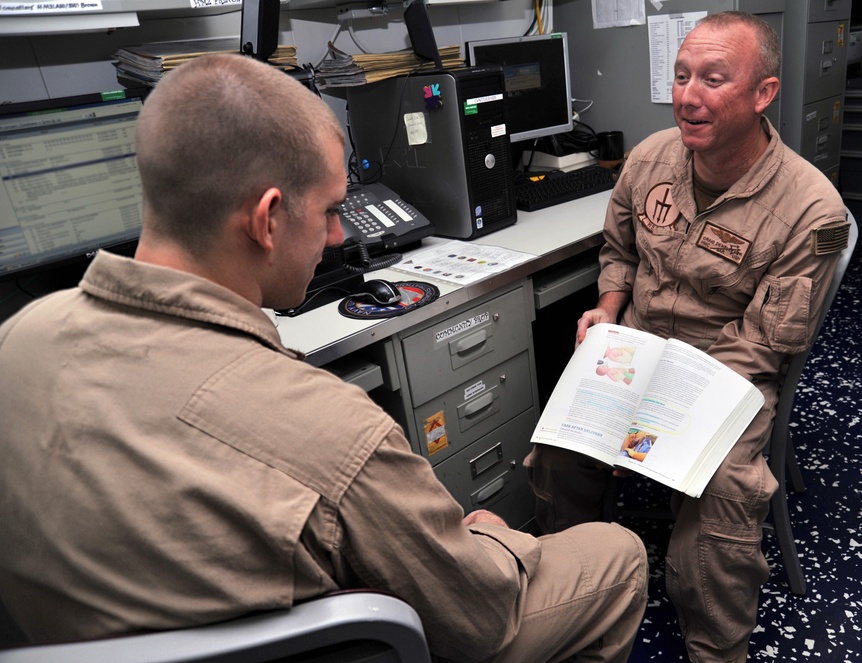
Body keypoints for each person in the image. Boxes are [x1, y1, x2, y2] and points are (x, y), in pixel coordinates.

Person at [0, 53, 648, 662]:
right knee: (615, 554)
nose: (340, 235)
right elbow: (482, 615)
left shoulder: (21, 340)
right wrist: (493, 537)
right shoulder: (340, 434)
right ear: (268, 219)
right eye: (333, 210)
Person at [525, 11, 850, 663]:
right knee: (559, 447)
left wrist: (671, 400)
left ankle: (716, 646)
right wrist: (609, 311)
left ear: (763, 94)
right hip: (638, 348)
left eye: (712, 78)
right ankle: (579, 583)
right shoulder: (649, 159)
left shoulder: (812, 209)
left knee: (724, 497)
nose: (687, 95)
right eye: (680, 76)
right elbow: (619, 247)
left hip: (731, 371)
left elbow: (767, 340)